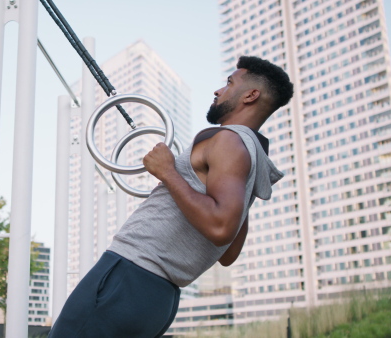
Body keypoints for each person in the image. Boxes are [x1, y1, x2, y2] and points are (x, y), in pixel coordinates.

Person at [48, 56, 294, 338]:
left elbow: (220, 228)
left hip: (130, 276)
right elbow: (228, 253)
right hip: (158, 297)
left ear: (251, 95)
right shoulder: (251, 158)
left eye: (229, 83)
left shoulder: (228, 140)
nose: (218, 90)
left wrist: (167, 172)